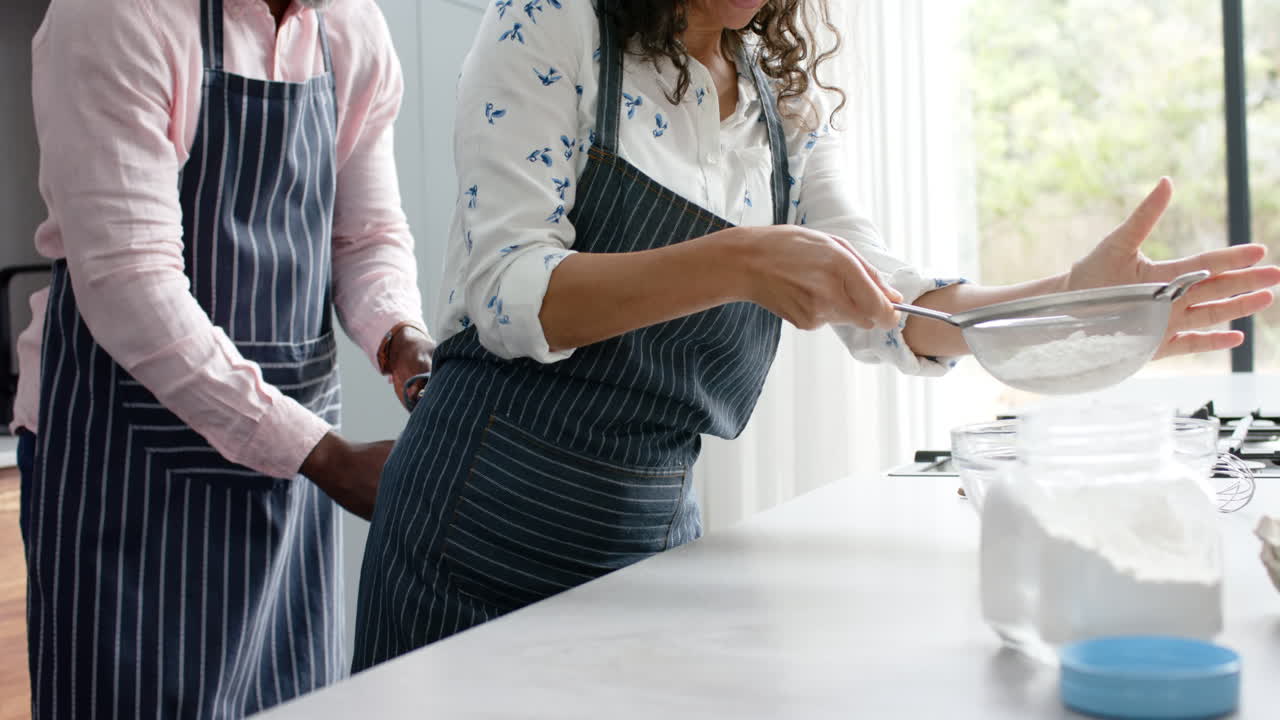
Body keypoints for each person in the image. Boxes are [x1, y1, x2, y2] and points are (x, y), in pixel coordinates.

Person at [352, 0, 1280, 669]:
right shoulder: (551, 22)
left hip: (648, 544)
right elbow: (509, 293)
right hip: (472, 539)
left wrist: (1075, 302)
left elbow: (893, 309)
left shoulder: (780, 102)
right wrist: (739, 260)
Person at [15, 0, 434, 716]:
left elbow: (364, 238)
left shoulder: (350, 26)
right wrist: (327, 457)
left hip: (291, 483)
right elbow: (131, 286)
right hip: (125, 474)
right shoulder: (115, 14)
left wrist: (401, 338)